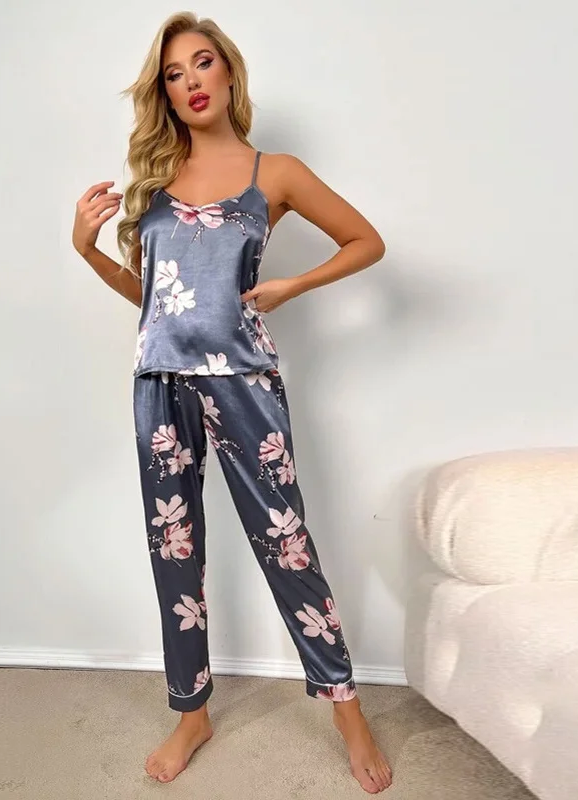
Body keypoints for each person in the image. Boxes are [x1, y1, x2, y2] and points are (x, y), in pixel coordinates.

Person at [72, 11, 390, 795]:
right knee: (173, 548)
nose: (190, 82)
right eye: (173, 74)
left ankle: (347, 709)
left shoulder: (274, 172)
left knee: (286, 541)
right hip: (159, 382)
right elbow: (154, 300)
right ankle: (192, 712)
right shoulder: (153, 181)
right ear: (164, 92)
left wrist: (292, 285)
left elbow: (366, 241)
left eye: (202, 63)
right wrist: (86, 251)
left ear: (228, 71)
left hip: (242, 378)